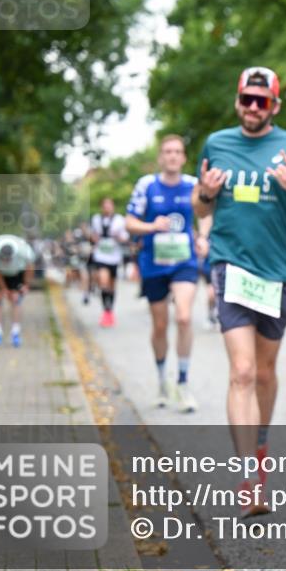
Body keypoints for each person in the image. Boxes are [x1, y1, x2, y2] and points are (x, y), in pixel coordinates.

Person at [192, 66, 286, 513]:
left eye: (262, 101)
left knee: (266, 373)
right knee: (243, 371)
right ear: (237, 101)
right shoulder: (217, 144)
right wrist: (205, 193)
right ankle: (247, 477)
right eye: (246, 99)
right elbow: (199, 207)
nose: (253, 107)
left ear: (274, 106)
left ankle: (260, 449)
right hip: (230, 267)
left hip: (277, 273)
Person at [125, 135, 211, 413]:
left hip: (184, 261)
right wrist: (152, 226)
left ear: (183, 157)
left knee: (184, 317)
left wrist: (203, 237)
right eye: (167, 152)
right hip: (154, 263)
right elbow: (129, 222)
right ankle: (162, 380)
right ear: (161, 157)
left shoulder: (193, 185)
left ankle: (183, 383)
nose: (172, 156)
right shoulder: (147, 185)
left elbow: (206, 213)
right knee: (160, 326)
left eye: (177, 152)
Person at [0, 234, 36, 348]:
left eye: (8, 259)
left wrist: (26, 285)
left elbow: (30, 266)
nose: (6, 261)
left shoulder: (24, 251)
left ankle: (15, 331)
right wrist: (4, 289)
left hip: (16, 272)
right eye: (4, 259)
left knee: (15, 299)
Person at [89, 198, 128, 327]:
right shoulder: (96, 219)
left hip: (114, 256)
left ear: (113, 207)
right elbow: (92, 235)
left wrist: (119, 237)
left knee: (112, 285)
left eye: (109, 205)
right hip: (101, 256)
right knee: (103, 281)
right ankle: (106, 308)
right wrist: (93, 238)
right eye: (104, 206)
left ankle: (109, 310)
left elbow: (125, 237)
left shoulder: (119, 220)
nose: (107, 208)